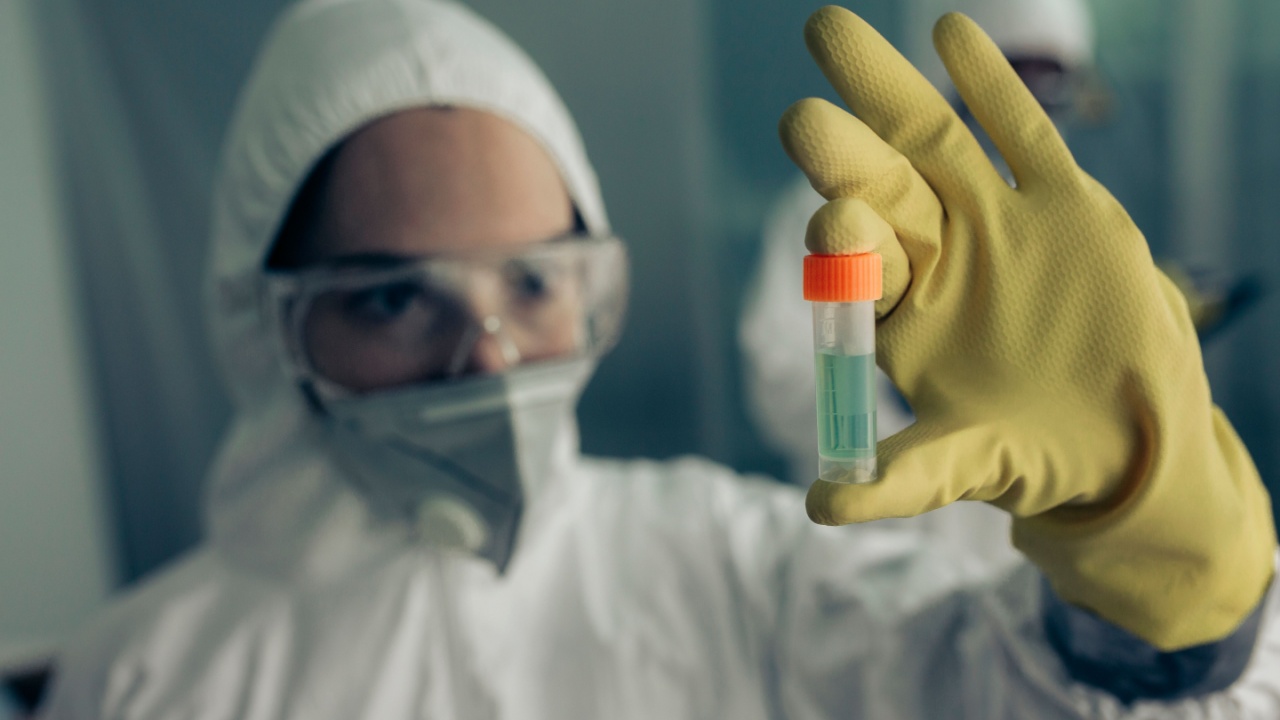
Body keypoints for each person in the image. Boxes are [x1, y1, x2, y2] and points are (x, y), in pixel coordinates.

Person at [41, 1, 1280, 718]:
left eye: (535, 281)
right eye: (390, 298)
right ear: (268, 331)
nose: (486, 348)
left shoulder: (720, 561)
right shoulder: (149, 677)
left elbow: (989, 691)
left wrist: (1146, 563)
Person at [740, 0, 1098, 580]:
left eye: (1049, 84)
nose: (1028, 107)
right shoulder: (831, 200)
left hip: (1011, 550)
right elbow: (776, 369)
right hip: (865, 548)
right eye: (1012, 77)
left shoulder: (1065, 216)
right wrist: (898, 424)